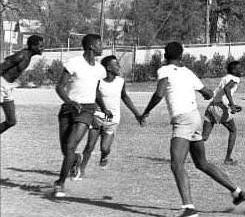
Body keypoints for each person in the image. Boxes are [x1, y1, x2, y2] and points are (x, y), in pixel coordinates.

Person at [140, 41, 245, 217]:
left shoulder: (164, 70)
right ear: (181, 56)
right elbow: (206, 92)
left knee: (176, 164)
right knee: (202, 163)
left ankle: (189, 208)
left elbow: (159, 94)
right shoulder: (188, 72)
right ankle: (237, 192)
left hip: (183, 119)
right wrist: (204, 94)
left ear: (165, 56)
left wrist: (146, 112)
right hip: (194, 117)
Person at [52, 34, 107, 197]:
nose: (102, 47)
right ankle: (76, 159)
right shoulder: (74, 63)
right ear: (91, 46)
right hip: (68, 109)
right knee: (65, 149)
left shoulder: (100, 69)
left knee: (70, 145)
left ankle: (59, 183)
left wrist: (103, 108)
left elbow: (95, 91)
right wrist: (69, 102)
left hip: (87, 110)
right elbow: (59, 87)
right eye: (100, 44)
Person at [79, 54, 145, 174]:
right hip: (97, 117)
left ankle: (104, 155)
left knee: (105, 148)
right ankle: (81, 169)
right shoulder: (98, 81)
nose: (119, 67)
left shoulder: (120, 82)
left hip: (112, 120)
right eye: (116, 65)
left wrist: (137, 114)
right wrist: (93, 114)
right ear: (108, 68)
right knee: (90, 146)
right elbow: (93, 97)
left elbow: (125, 97)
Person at [1, 34, 45, 135]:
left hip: (7, 87)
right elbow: (2, 67)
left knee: (11, 121)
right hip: (1, 85)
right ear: (33, 46)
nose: (43, 48)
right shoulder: (21, 56)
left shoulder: (27, 56)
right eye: (40, 46)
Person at [201, 60, 243, 164]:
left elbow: (220, 93)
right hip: (219, 108)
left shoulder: (225, 78)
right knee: (233, 130)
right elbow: (227, 89)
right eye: (239, 68)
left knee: (204, 137)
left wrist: (231, 104)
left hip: (211, 106)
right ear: (233, 70)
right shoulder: (235, 79)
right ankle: (228, 159)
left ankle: (184, 144)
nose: (241, 70)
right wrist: (232, 105)